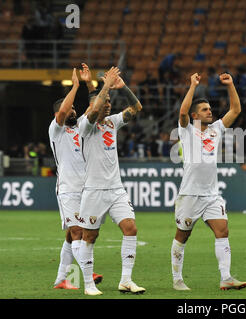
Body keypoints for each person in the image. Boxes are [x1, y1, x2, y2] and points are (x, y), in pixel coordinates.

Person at [171, 72, 246, 291]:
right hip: (190, 194)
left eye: (209, 109)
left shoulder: (216, 129)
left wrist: (231, 84)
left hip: (211, 194)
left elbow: (235, 110)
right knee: (182, 236)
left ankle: (226, 277)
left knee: (222, 231)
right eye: (204, 110)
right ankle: (177, 279)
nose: (209, 112)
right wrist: (193, 86)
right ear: (195, 115)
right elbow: (182, 111)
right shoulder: (186, 130)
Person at [77, 66, 145, 296]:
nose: (108, 105)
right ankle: (88, 284)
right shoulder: (84, 125)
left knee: (130, 228)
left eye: (109, 102)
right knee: (90, 236)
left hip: (116, 189)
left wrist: (121, 87)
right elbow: (94, 110)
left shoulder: (113, 122)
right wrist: (103, 86)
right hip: (94, 190)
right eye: (104, 102)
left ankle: (126, 280)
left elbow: (136, 107)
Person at [48, 65, 102, 290]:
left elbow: (94, 108)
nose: (72, 112)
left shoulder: (79, 127)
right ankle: (88, 273)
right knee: (78, 231)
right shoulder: (56, 129)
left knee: (74, 235)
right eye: (69, 111)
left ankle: (62, 279)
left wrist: (90, 85)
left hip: (86, 188)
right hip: (69, 188)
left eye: (73, 111)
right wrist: (75, 86)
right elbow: (62, 112)